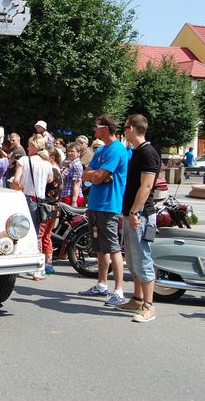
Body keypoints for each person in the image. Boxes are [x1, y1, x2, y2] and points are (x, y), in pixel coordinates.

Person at [78, 114, 129, 306]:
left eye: (97, 126)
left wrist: (95, 175)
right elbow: (87, 175)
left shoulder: (116, 150)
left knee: (113, 248)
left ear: (106, 129)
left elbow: (98, 176)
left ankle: (119, 290)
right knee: (99, 248)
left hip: (109, 205)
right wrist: (95, 175)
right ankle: (101, 285)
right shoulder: (101, 150)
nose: (95, 130)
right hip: (96, 205)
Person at [117, 114, 161, 322]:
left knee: (143, 260)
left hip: (141, 216)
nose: (124, 131)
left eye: (125, 128)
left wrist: (134, 212)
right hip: (131, 214)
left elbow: (146, 186)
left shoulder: (148, 153)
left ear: (133, 128)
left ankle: (149, 306)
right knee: (133, 261)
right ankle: (137, 298)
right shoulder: (137, 152)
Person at [12, 135, 53, 280]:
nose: (27, 148)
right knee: (37, 233)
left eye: (29, 145)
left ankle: (29, 266)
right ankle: (38, 268)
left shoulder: (24, 160)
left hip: (25, 198)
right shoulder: (47, 164)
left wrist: (17, 186)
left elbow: (16, 180)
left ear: (34, 146)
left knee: (19, 230)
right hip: (40, 201)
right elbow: (50, 179)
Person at [41, 147, 63, 274]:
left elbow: (45, 185)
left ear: (52, 158)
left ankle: (43, 263)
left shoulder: (52, 171)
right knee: (46, 236)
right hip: (54, 208)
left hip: (48, 207)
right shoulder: (58, 171)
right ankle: (48, 262)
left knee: (41, 235)